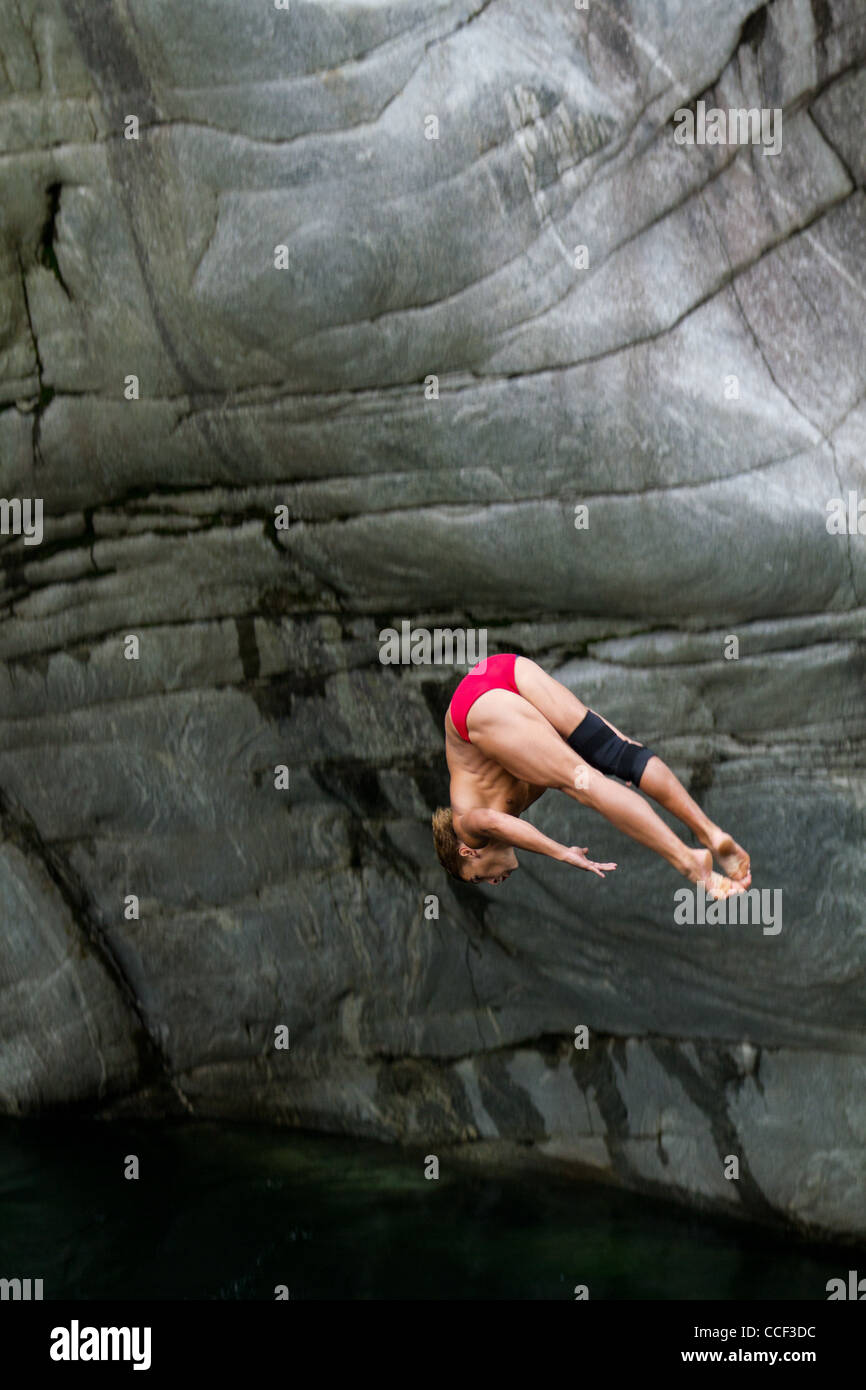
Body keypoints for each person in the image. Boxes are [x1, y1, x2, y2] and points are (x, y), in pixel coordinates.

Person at [432, 653, 750, 898]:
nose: (492, 882)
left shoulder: (467, 827)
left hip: (474, 709)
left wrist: (561, 852)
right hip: (500, 670)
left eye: (476, 876)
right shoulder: (506, 786)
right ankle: (710, 832)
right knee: (618, 753)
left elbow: (497, 823)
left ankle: (687, 860)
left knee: (586, 784)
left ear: (466, 852)